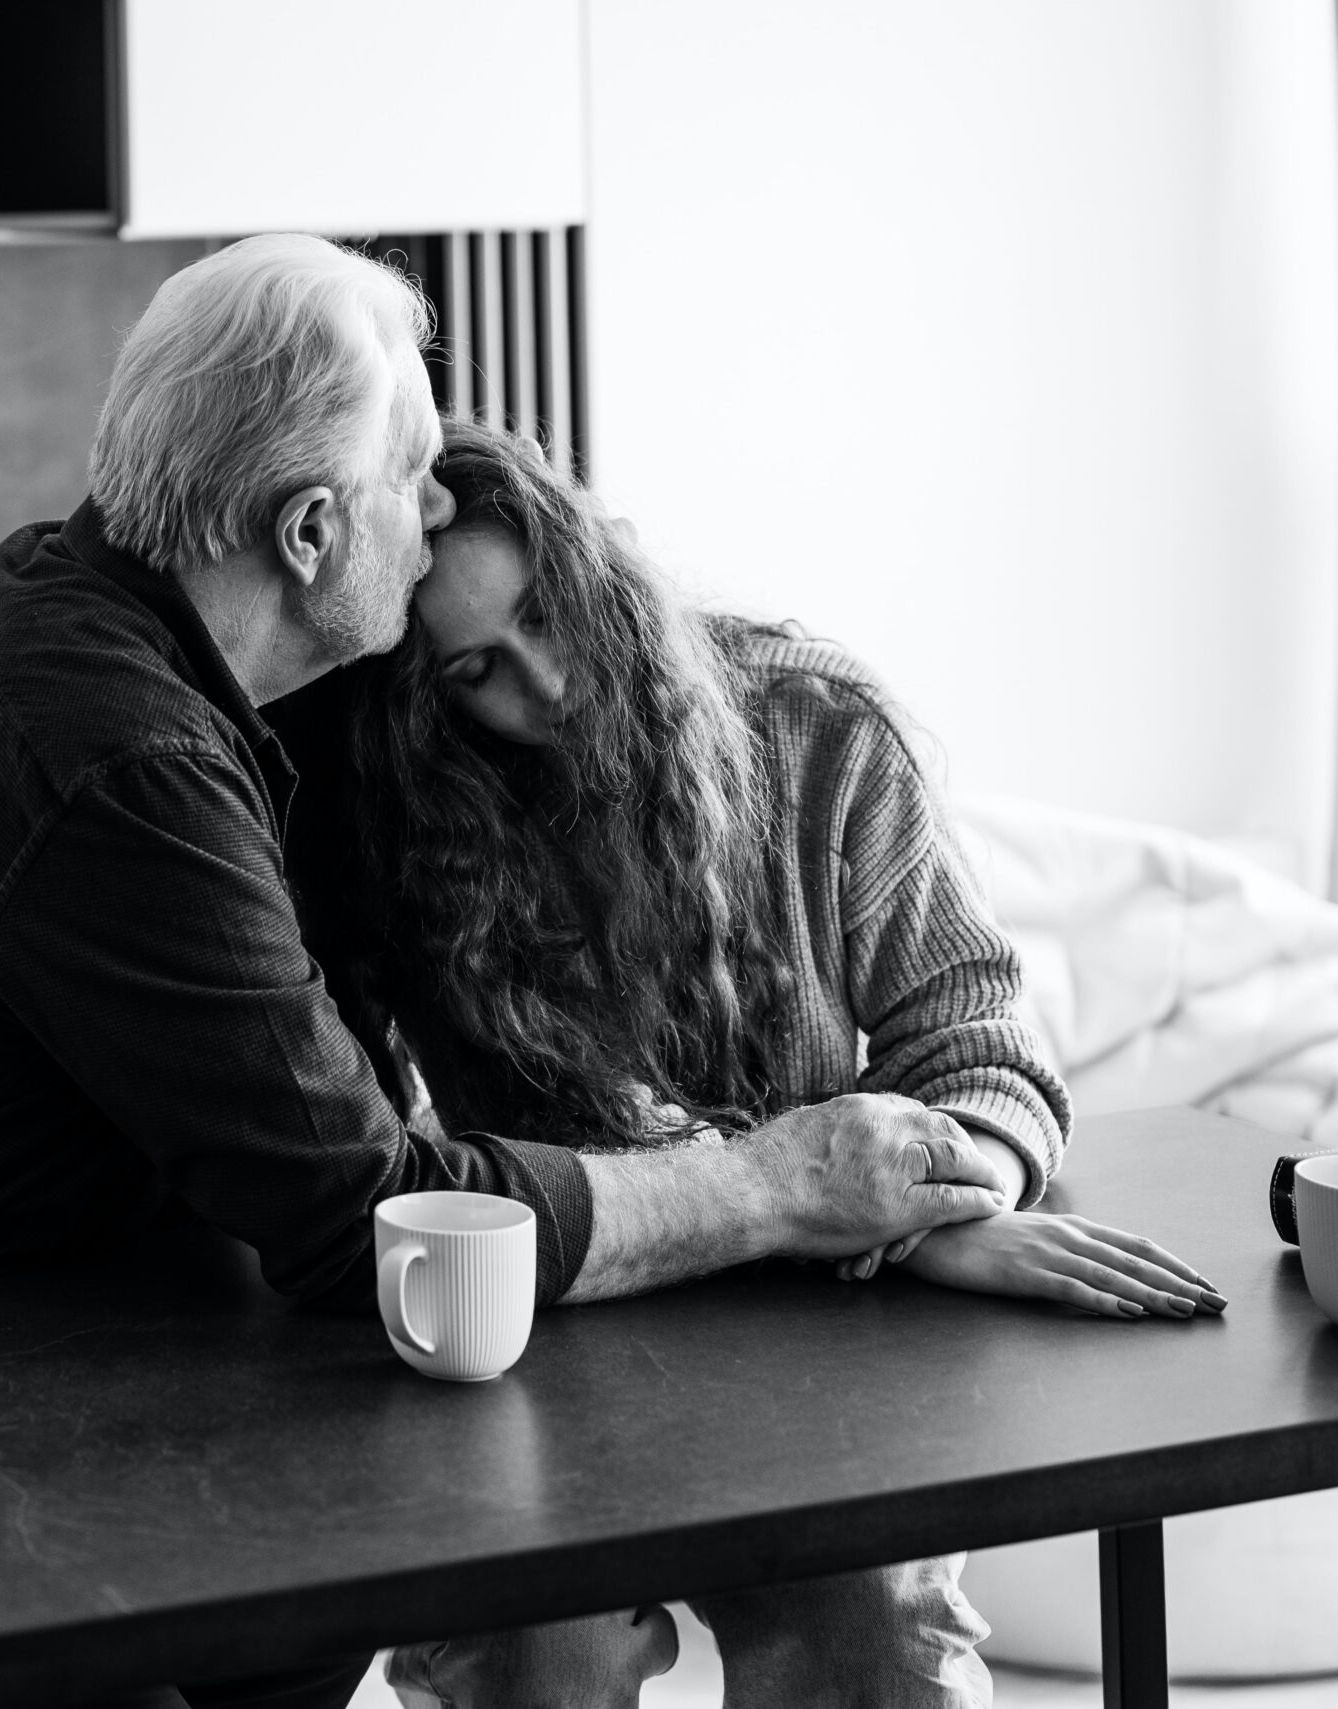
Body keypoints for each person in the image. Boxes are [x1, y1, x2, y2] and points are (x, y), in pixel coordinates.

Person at [0, 235, 1025, 1709]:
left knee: (306, 1617)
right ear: (312, 532)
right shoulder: (115, 758)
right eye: (416, 469)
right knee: (308, 1591)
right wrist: (773, 1185)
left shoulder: (118, 625)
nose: (439, 504)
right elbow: (364, 1218)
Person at [270, 417, 1225, 1709]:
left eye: (552, 611)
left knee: (876, 1641)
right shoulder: (405, 833)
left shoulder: (817, 730)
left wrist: (935, 1212)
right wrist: (841, 1213)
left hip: (817, 1364)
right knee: (536, 1658)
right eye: (477, 671)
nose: (547, 684)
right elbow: (383, 1166)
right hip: (553, 1351)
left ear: (596, 559)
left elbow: (978, 1043)